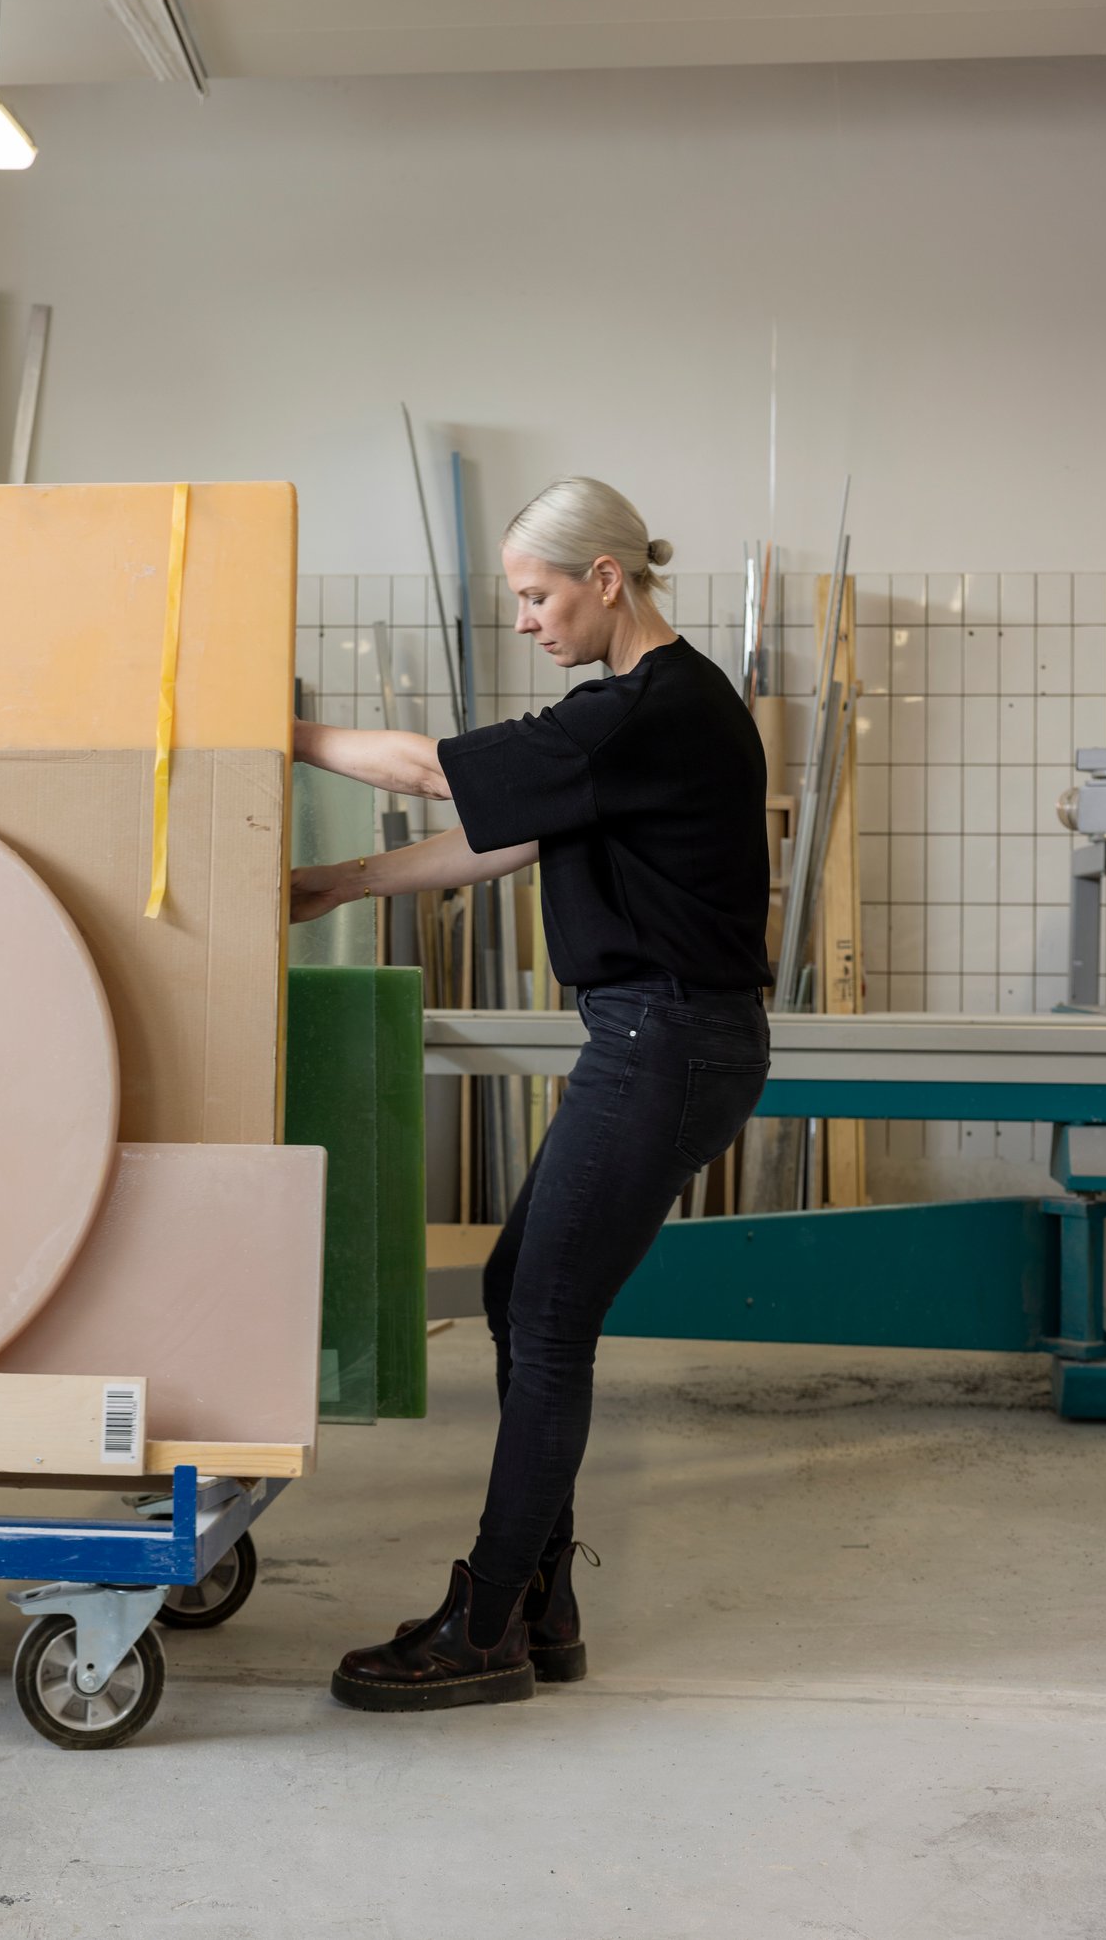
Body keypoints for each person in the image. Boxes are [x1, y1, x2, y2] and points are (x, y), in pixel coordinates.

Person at [291, 475, 771, 1714]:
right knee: (522, 1295)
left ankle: (487, 1618)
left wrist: (275, 730)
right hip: (658, 1035)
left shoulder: (648, 708)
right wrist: (343, 882)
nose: (523, 619)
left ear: (604, 579)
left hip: (663, 1039)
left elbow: (435, 773)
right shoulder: (638, 711)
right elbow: (506, 835)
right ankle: (539, 1600)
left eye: (536, 594)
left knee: (545, 1318)